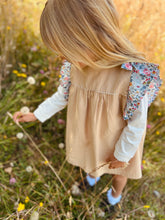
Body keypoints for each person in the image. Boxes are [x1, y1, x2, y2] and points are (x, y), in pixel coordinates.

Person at [13, 0, 163, 211]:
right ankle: (92, 180)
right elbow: (63, 95)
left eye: (66, 50)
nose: (63, 57)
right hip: (93, 134)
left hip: (119, 141)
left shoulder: (131, 76)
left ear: (92, 38)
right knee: (93, 159)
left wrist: (122, 155)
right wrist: (37, 114)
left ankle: (114, 197)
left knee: (119, 174)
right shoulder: (75, 66)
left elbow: (137, 124)